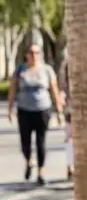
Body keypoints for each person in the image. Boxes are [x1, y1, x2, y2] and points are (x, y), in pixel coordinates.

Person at [7, 44, 62, 185]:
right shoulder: (21, 69)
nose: (34, 55)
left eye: (37, 52)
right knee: (25, 142)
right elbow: (13, 89)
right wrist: (10, 108)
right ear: (27, 55)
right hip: (24, 110)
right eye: (31, 52)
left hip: (42, 109)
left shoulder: (47, 70)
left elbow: (54, 90)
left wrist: (59, 110)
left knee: (40, 141)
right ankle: (29, 161)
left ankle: (41, 172)